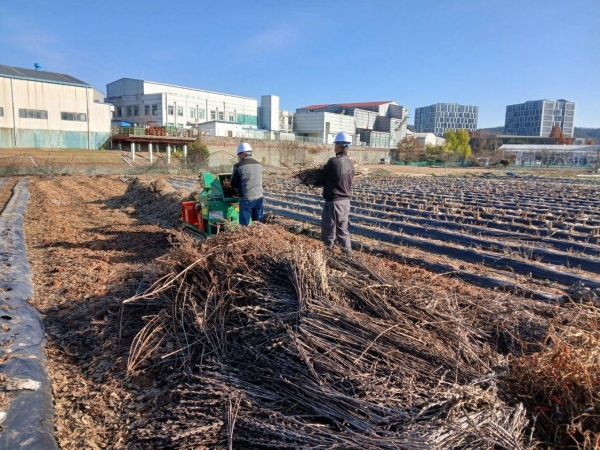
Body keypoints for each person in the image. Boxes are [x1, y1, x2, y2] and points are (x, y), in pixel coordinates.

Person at [319, 131, 355, 256]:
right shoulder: (350, 164)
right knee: (343, 231)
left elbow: (321, 178)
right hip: (345, 203)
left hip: (334, 203)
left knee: (328, 230)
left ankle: (327, 256)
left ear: (339, 146)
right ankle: (348, 256)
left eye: (335, 145)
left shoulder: (333, 162)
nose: (334, 147)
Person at [230, 142, 264, 226]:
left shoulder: (238, 166)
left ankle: (245, 234)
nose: (238, 157)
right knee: (258, 224)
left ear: (243, 154)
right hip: (259, 197)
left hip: (246, 199)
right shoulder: (259, 164)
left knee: (244, 226)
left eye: (239, 155)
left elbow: (233, 183)